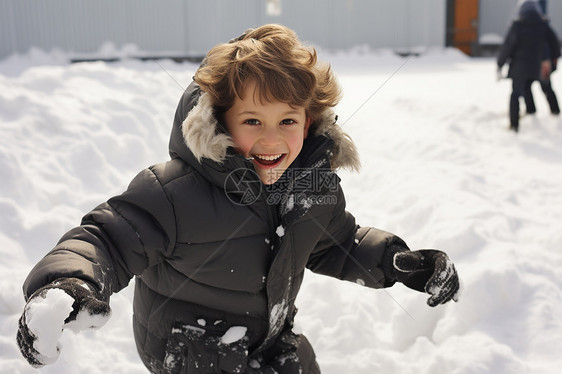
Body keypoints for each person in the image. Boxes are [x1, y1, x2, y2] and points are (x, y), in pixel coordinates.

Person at [17, 24, 460, 373]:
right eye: (252, 120)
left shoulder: (312, 189)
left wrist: (394, 262)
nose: (272, 139)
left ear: (310, 123)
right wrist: (68, 284)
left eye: (287, 120)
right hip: (189, 350)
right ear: (219, 121)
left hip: (266, 337)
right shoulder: (176, 193)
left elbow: (335, 242)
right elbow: (106, 239)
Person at [497, 0, 561, 132]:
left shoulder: (517, 26)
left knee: (516, 93)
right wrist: (554, 59)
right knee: (547, 88)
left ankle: (514, 125)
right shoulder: (544, 25)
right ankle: (555, 113)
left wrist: (500, 64)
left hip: (520, 67)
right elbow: (555, 44)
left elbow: (507, 47)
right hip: (542, 65)